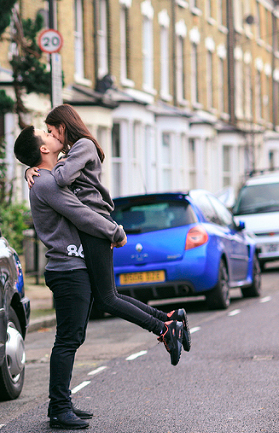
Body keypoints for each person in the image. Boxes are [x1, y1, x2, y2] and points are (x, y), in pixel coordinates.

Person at [26, 104, 188, 365]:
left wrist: (45, 169)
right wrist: (32, 168)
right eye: (47, 133)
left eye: (51, 130)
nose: (51, 135)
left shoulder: (83, 145)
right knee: (108, 296)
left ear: (63, 126)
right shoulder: (74, 151)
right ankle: (168, 319)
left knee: (107, 299)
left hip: (96, 225)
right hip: (94, 226)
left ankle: (164, 329)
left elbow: (62, 179)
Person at [14, 125, 129, 429]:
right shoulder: (47, 183)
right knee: (67, 339)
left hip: (70, 266)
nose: (54, 136)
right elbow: (81, 214)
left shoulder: (46, 177)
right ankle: (59, 409)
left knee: (72, 337)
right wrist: (115, 232)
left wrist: (29, 169)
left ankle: (62, 403)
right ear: (43, 149)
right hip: (67, 269)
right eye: (47, 134)